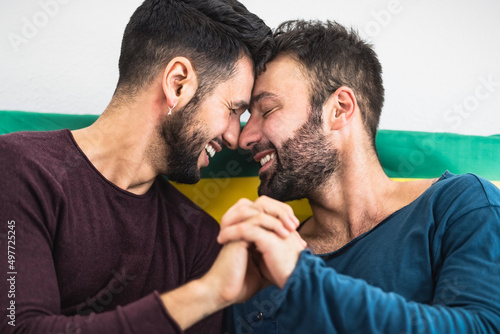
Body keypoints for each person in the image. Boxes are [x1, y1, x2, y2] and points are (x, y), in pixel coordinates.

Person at [0, 0, 299, 333]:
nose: (234, 137)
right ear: (178, 83)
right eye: (232, 109)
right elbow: (17, 327)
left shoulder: (201, 241)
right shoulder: (19, 170)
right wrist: (206, 294)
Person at [219, 20, 500, 333]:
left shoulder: (461, 206)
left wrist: (302, 279)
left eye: (267, 110)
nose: (244, 138)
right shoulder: (259, 263)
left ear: (340, 109)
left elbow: (482, 327)